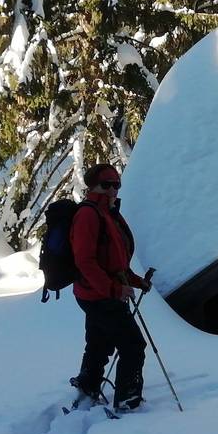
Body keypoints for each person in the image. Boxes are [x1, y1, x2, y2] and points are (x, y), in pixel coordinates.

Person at [70, 163, 151, 411]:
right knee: (133, 345)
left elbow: (116, 259)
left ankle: (88, 385)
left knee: (100, 342)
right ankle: (127, 400)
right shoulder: (88, 215)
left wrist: (137, 281)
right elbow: (85, 261)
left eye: (116, 185)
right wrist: (114, 290)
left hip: (100, 292)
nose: (112, 189)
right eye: (106, 185)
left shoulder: (109, 213)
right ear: (92, 186)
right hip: (99, 294)